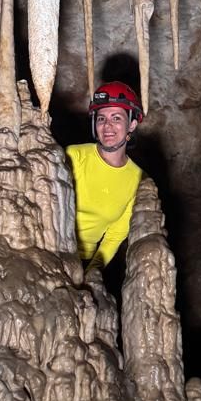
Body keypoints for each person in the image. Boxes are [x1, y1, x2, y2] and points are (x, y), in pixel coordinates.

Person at [66, 81, 144, 270]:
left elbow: (114, 236)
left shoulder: (137, 180)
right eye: (101, 119)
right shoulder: (73, 156)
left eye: (116, 118)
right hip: (50, 249)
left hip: (82, 262)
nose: (107, 126)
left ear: (132, 124)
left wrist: (93, 273)